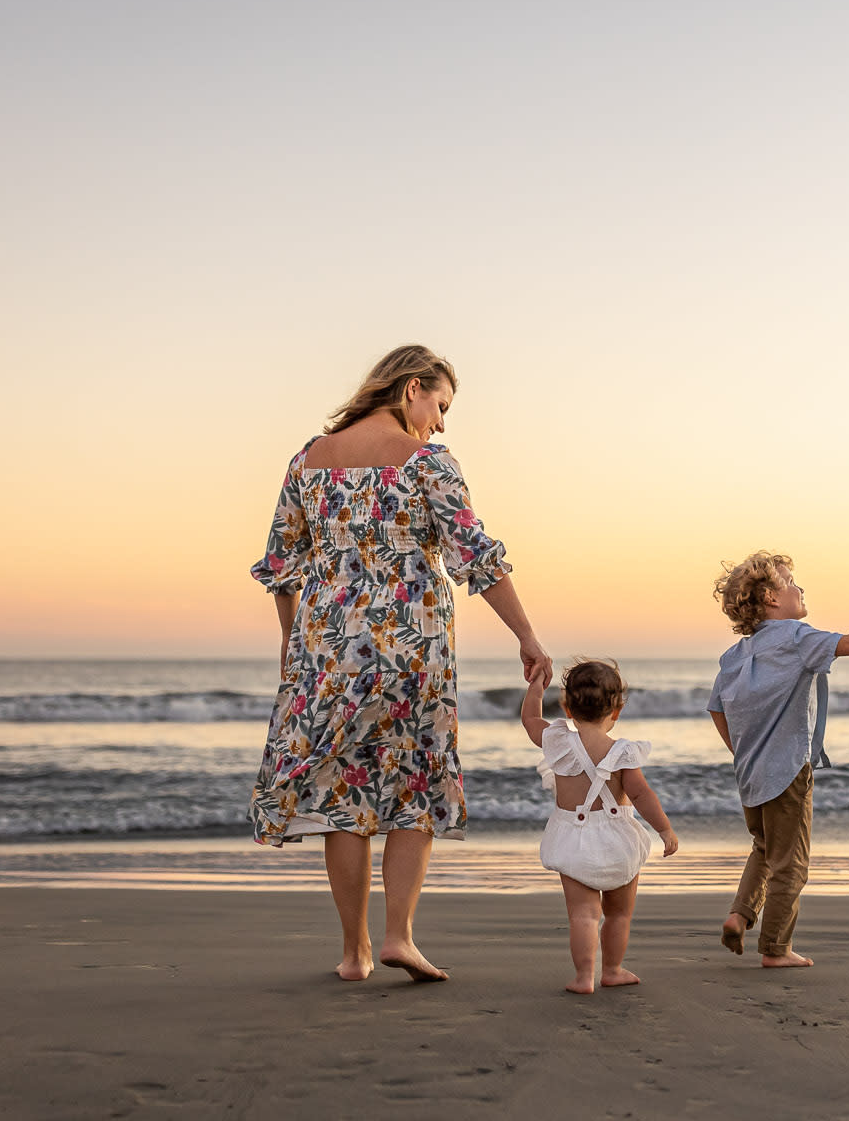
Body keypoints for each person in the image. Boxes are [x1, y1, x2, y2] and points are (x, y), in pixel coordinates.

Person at [247, 344, 554, 985]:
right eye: (440, 405)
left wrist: (290, 640)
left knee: (342, 794)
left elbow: (281, 565)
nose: (440, 422)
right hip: (412, 649)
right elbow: (478, 556)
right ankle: (399, 937)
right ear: (412, 388)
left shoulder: (309, 460)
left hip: (327, 649)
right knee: (415, 784)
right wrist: (526, 634)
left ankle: (355, 951)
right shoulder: (427, 463)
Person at [707, 552, 849, 968]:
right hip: (787, 771)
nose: (800, 588)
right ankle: (776, 949)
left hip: (749, 772)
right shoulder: (797, 637)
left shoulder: (734, 656)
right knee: (792, 863)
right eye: (790, 581)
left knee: (765, 846)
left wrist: (742, 750)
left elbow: (716, 709)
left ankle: (739, 914)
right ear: (770, 599)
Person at [522, 660, 679, 994]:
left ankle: (583, 977)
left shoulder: (558, 741)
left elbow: (530, 720)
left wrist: (536, 685)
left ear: (566, 706)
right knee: (619, 914)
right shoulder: (623, 751)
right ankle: (612, 970)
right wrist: (664, 829)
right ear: (617, 710)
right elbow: (640, 794)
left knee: (583, 914)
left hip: (572, 839)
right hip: (617, 839)